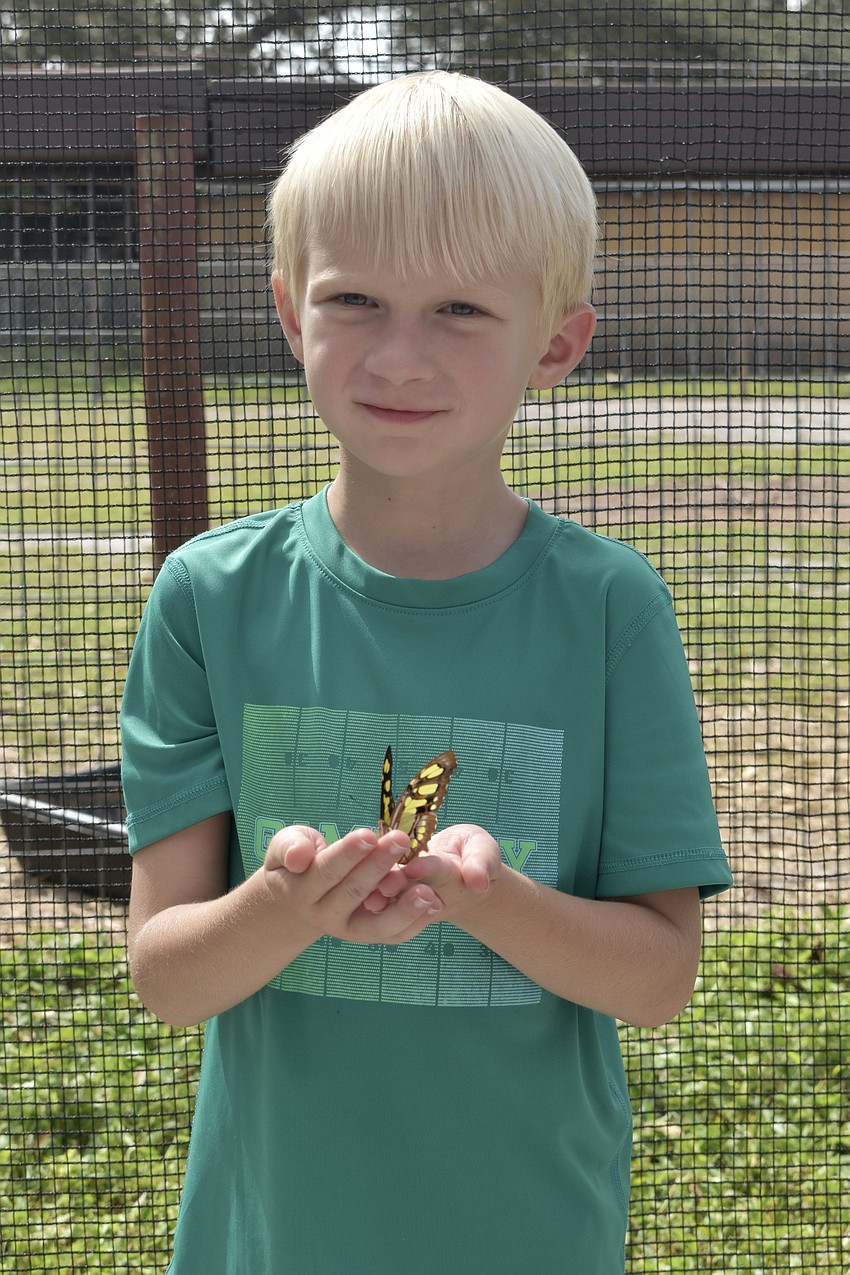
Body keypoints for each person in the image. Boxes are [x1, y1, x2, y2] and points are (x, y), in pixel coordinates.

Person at [121, 71, 732, 1274]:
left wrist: (488, 899)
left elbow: (658, 979)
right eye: (355, 298)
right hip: (270, 1239)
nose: (399, 354)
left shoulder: (610, 608)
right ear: (293, 315)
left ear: (555, 344)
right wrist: (282, 907)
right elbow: (166, 976)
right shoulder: (208, 596)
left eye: (459, 307)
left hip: (530, 1238)